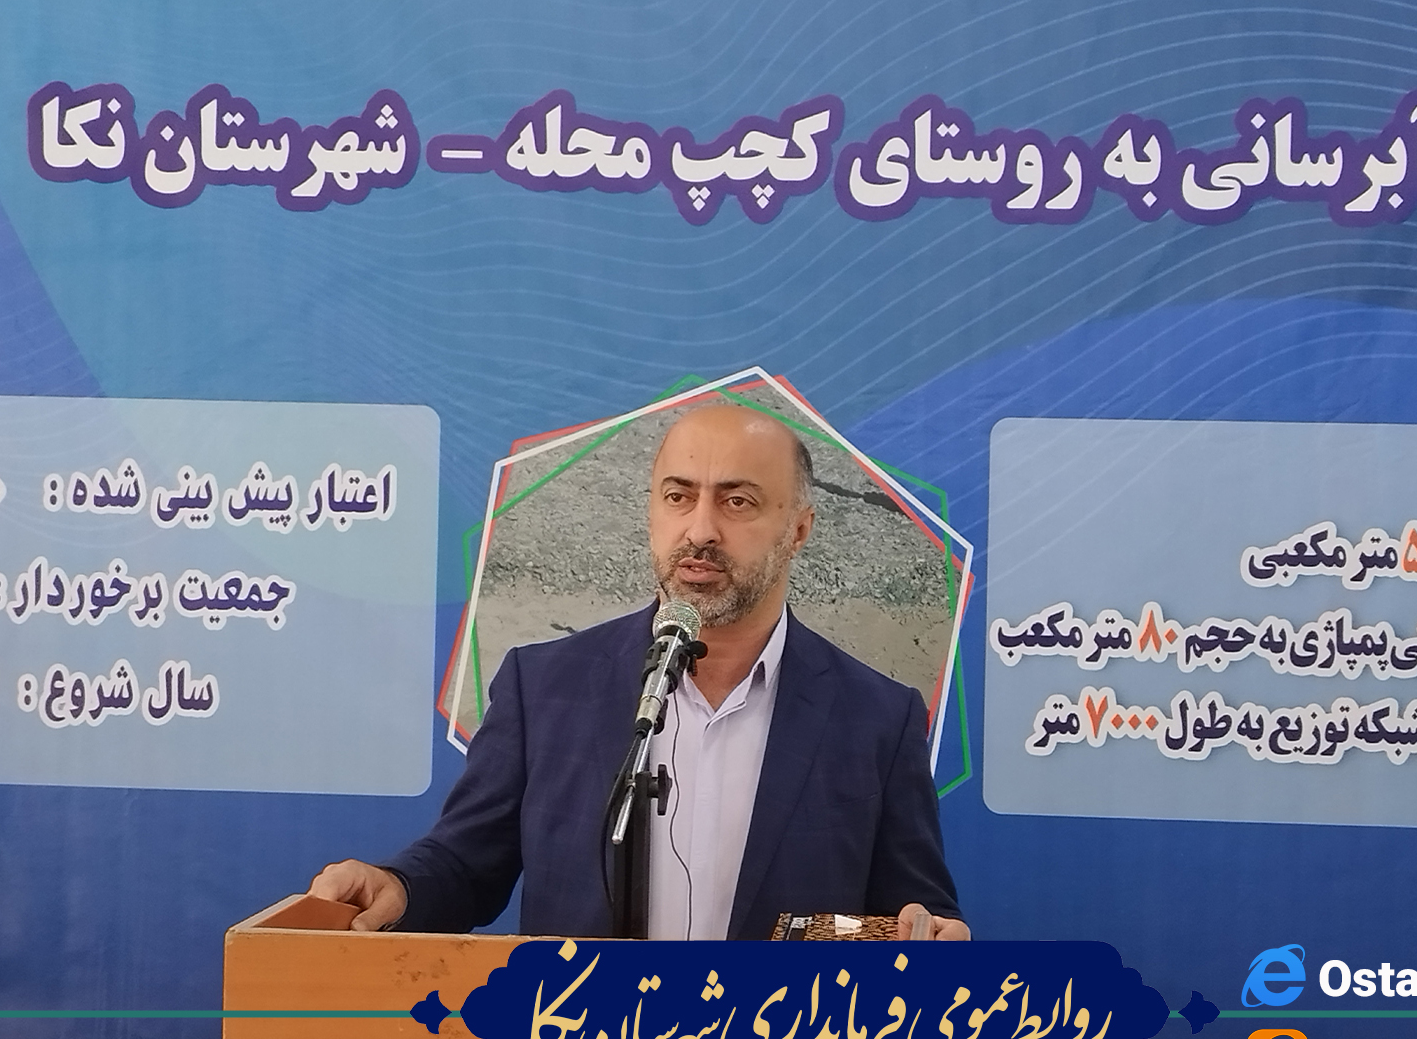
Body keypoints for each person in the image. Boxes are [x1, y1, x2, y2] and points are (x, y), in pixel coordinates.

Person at [310, 402, 964, 942]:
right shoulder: (544, 689)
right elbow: (465, 863)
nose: (700, 529)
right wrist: (399, 886)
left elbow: (914, 915)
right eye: (679, 496)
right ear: (652, 510)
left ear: (797, 530)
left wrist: (930, 934)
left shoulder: (877, 719)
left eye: (738, 502)